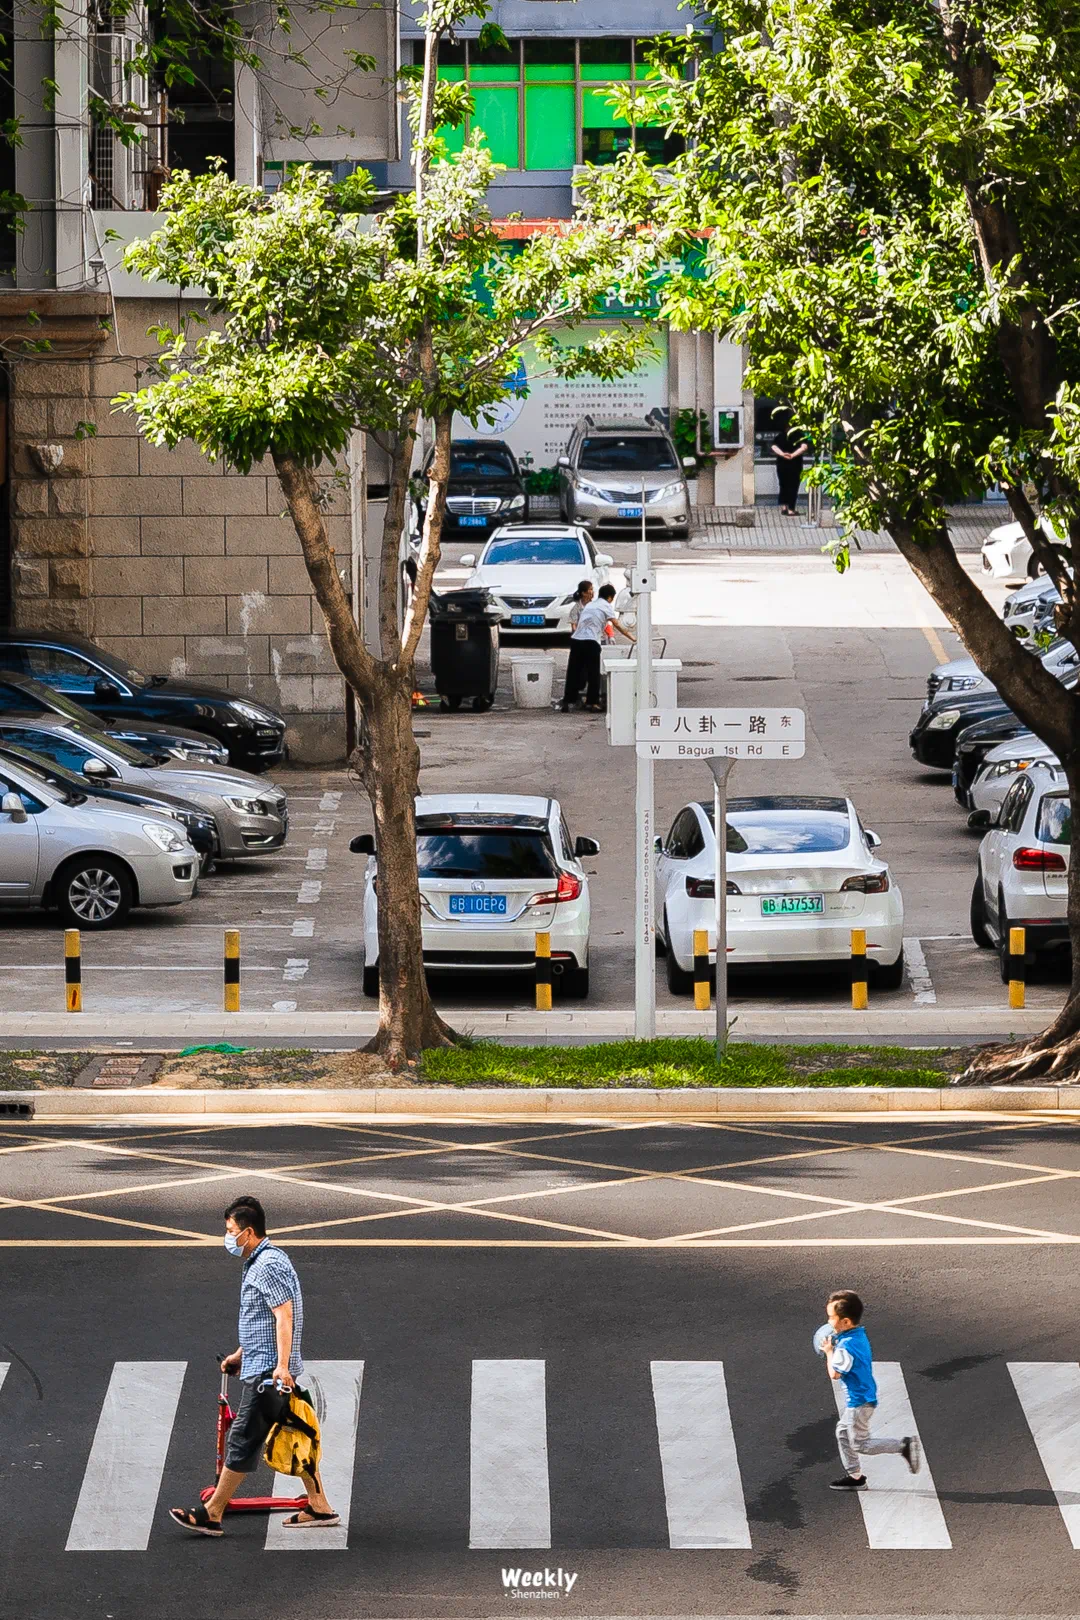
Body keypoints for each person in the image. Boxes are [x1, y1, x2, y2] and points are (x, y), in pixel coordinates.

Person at [169, 1195, 339, 1536]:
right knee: (298, 1432)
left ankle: (212, 1512)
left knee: (244, 1439)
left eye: (231, 1231)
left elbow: (284, 1316)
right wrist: (238, 1355)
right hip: (266, 1366)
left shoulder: (267, 1266)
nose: (228, 1237)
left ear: (248, 1232)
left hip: (270, 1374)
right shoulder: (265, 1260)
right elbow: (260, 1322)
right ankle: (319, 1507)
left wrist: (281, 1367)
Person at [821, 1289, 921, 1491]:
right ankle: (855, 1476)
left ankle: (903, 1445)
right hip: (865, 1396)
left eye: (832, 1317)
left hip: (858, 1401)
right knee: (842, 1432)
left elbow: (835, 1374)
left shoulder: (845, 1348)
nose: (829, 1321)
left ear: (846, 1321)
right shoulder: (858, 1335)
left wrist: (829, 1352)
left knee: (861, 1444)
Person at [562, 583, 635, 712]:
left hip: (576, 640)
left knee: (573, 672)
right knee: (593, 674)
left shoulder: (590, 605)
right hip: (591, 642)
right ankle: (592, 702)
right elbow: (617, 624)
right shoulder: (606, 606)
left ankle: (568, 701)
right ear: (610, 598)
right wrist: (632, 637)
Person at [561, 579, 595, 710]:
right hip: (579, 642)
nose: (592, 593)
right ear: (583, 593)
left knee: (590, 671)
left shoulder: (595, 606)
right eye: (589, 590)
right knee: (574, 671)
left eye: (592, 590)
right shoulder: (576, 608)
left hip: (592, 640)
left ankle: (591, 700)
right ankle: (569, 700)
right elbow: (574, 626)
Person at [771, 412, 809, 515]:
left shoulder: (780, 436)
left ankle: (784, 507)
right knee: (793, 486)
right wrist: (792, 455)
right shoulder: (800, 436)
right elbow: (804, 447)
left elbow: (773, 447)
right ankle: (791, 509)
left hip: (781, 464)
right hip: (795, 464)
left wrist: (782, 454)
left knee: (783, 485)